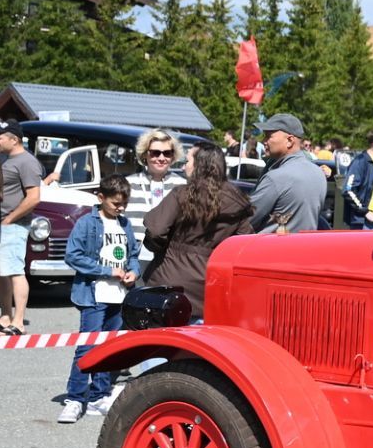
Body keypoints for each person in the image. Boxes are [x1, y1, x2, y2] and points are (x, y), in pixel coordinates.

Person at [59, 174, 138, 423]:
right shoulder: (87, 223)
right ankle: (75, 398)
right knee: (87, 347)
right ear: (101, 197)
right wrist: (106, 271)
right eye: (116, 203)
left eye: (124, 203)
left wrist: (133, 271)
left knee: (109, 348)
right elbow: (73, 255)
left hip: (118, 296)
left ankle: (98, 396)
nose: (121, 208)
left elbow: (133, 254)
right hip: (93, 295)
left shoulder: (124, 224)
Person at [143, 146, 254, 320]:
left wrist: (161, 250)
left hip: (170, 286)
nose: (184, 167)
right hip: (210, 288)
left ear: (199, 165)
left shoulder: (181, 194)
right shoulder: (237, 201)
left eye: (187, 161)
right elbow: (245, 246)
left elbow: (156, 230)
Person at [0, 119, 43, 336]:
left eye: (0, 137)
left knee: (15, 271)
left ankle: (18, 322)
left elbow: (34, 197)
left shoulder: (26, 162)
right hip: (4, 225)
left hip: (14, 225)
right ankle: (5, 316)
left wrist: (10, 219)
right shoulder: (8, 159)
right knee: (2, 272)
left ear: (13, 139)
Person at [249, 113, 328, 233]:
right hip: (306, 249)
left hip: (271, 249)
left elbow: (246, 219)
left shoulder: (276, 178)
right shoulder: (318, 173)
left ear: (290, 141)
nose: (264, 141)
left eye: (268, 136)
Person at [126, 128, 187, 263]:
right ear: (145, 155)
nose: (161, 158)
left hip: (169, 259)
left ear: (173, 157)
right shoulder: (128, 184)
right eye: (155, 153)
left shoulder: (183, 186)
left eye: (167, 153)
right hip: (133, 258)